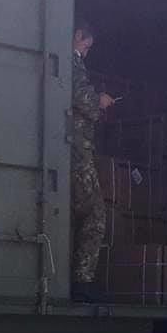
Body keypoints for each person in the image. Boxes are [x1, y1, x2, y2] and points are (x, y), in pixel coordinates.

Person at [69, 18, 117, 295]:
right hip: (77, 149)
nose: (86, 53)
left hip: (73, 147)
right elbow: (78, 95)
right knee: (96, 214)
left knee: (77, 212)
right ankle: (83, 281)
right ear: (78, 35)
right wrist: (100, 100)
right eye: (86, 47)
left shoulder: (70, 61)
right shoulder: (71, 61)